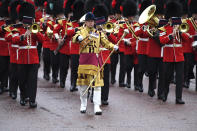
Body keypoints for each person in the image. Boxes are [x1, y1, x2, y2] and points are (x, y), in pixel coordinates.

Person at [72, 12, 118, 115]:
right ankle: (83, 104)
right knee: (83, 84)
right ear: (86, 22)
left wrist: (113, 46)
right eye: (89, 21)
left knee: (97, 85)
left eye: (92, 21)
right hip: (84, 60)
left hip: (95, 61)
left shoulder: (99, 33)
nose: (91, 23)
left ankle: (97, 106)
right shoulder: (81, 31)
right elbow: (74, 38)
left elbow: (106, 43)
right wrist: (78, 38)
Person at [159, 0, 190, 104]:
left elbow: (187, 39)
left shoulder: (182, 25)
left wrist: (180, 32)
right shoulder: (164, 27)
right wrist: (170, 35)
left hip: (179, 55)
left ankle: (178, 98)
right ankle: (165, 93)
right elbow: (161, 40)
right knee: (167, 76)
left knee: (180, 77)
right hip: (168, 55)